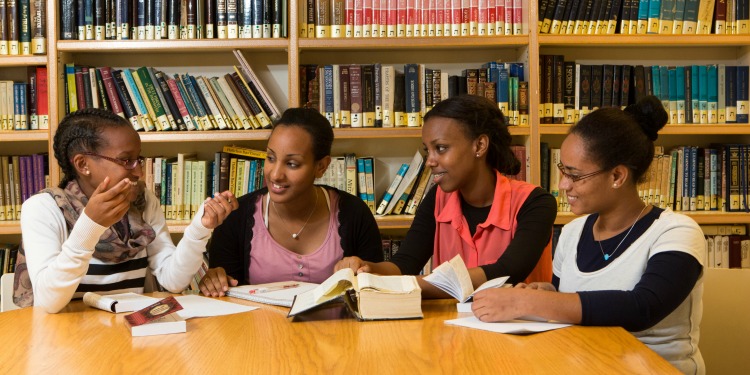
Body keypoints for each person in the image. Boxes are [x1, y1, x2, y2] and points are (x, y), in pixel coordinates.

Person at [471, 96, 705, 374]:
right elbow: (573, 304)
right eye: (562, 171)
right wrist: (547, 292)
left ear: (617, 176)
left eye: (574, 175)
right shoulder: (570, 233)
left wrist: (528, 301)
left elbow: (642, 308)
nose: (562, 185)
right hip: (582, 364)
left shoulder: (676, 231)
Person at [14, 108, 238, 314]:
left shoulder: (143, 202)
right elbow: (48, 302)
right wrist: (90, 225)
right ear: (83, 164)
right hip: (67, 342)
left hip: (131, 336)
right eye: (126, 160)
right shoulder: (43, 208)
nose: (139, 172)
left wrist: (200, 228)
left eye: (138, 159)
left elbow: (173, 281)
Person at [335, 95, 557, 297]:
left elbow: (506, 272)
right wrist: (368, 270)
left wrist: (408, 285)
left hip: (517, 333)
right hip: (454, 331)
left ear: (479, 145)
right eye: (427, 151)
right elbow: (404, 264)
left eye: (440, 148)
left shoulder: (535, 203)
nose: (430, 161)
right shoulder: (437, 199)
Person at [200, 108, 383, 297]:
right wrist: (215, 281)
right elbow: (226, 298)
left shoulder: (354, 213)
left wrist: (364, 269)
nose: (275, 174)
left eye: (292, 164)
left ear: (321, 166)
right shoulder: (236, 217)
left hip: (338, 327)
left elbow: (378, 291)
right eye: (270, 158)